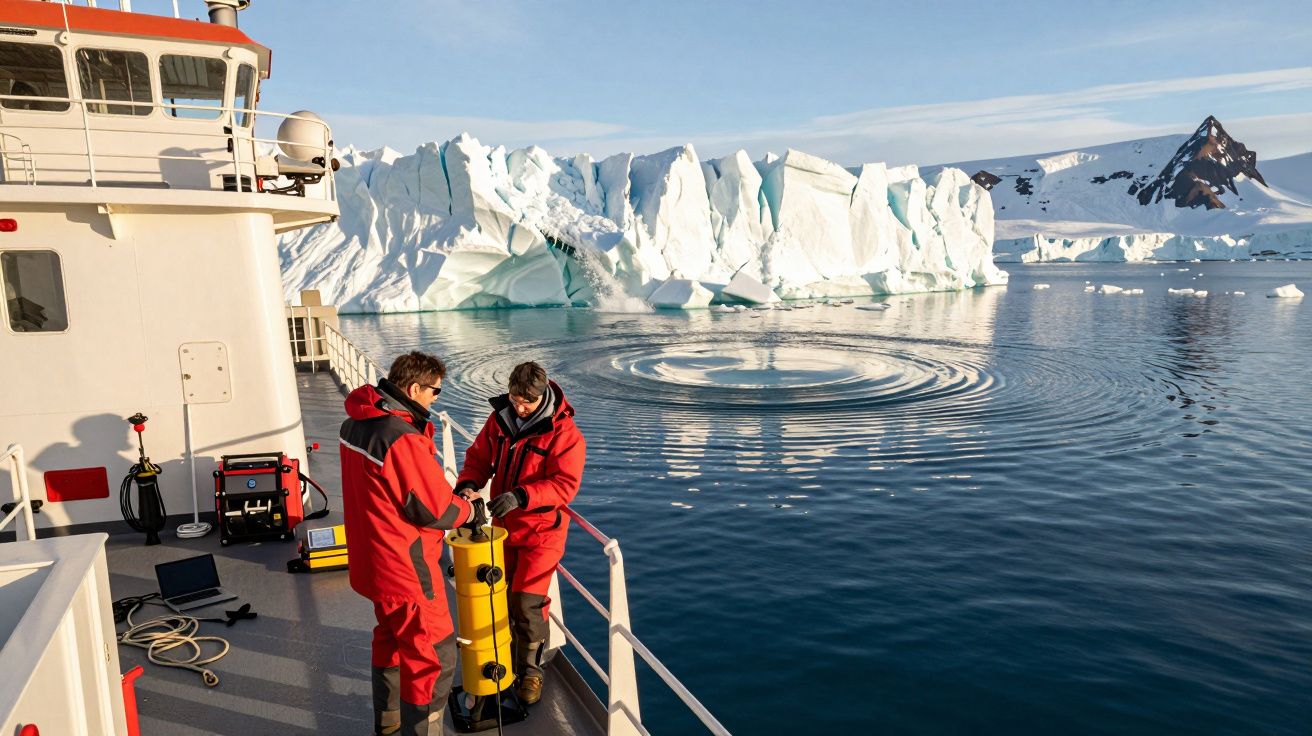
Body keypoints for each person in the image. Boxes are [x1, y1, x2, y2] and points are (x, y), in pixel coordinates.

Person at [340, 351, 474, 736]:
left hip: (372, 563)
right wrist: (469, 511)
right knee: (435, 655)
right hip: (406, 570)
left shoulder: (355, 423)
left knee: (390, 639)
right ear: (414, 388)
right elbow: (432, 509)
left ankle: (387, 724)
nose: (435, 399)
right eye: (435, 392)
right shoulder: (399, 438)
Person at [454, 361, 585, 706]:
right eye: (515, 399)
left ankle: (531, 672)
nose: (520, 407)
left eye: (526, 402)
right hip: (504, 529)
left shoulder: (564, 433)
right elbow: (479, 457)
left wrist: (521, 496)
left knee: (527, 603)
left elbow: (564, 485)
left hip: (542, 533)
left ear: (541, 397)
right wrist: (468, 485)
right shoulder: (500, 420)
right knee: (498, 595)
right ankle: (504, 659)